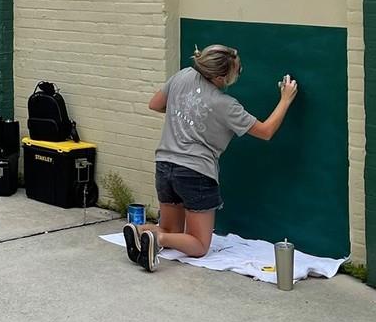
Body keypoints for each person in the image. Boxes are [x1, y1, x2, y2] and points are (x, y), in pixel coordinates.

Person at [123, 44, 298, 272]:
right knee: (199, 245)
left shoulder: (183, 75)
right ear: (220, 77)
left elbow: (155, 104)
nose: (239, 72)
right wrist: (285, 99)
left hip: (165, 165)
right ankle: (157, 239)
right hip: (196, 173)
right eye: (237, 70)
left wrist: (184, 113)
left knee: (171, 229)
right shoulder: (225, 105)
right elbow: (265, 132)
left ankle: (140, 232)